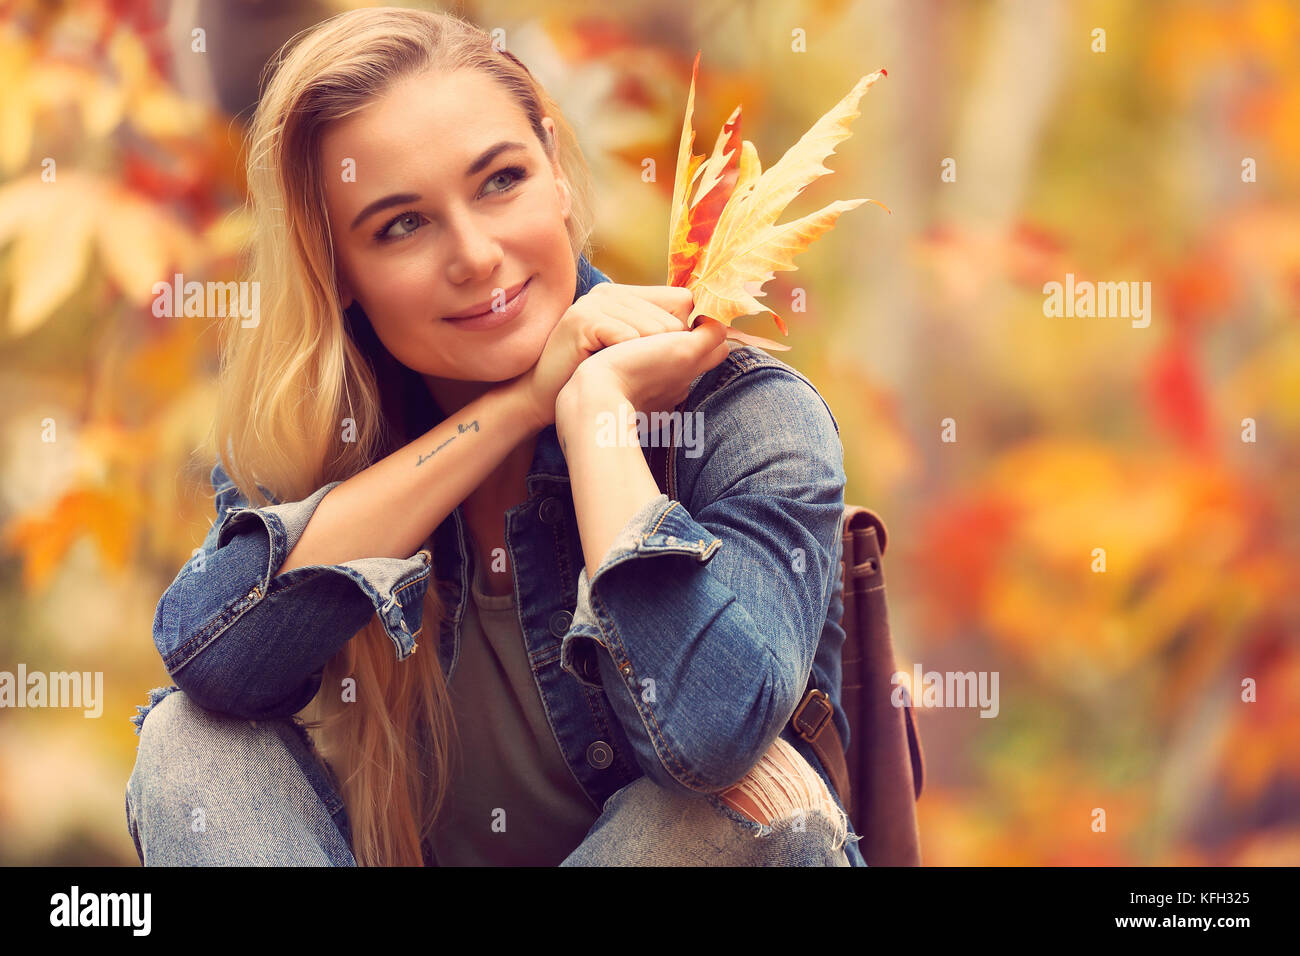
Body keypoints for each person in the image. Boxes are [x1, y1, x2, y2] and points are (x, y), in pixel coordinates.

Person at [125, 6, 864, 867]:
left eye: (500, 181)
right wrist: (515, 407)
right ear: (338, 269)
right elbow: (215, 660)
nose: (474, 255)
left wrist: (594, 420)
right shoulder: (320, 434)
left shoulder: (743, 416)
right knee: (191, 743)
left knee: (734, 806)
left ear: (555, 169)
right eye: (400, 224)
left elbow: (711, 735)